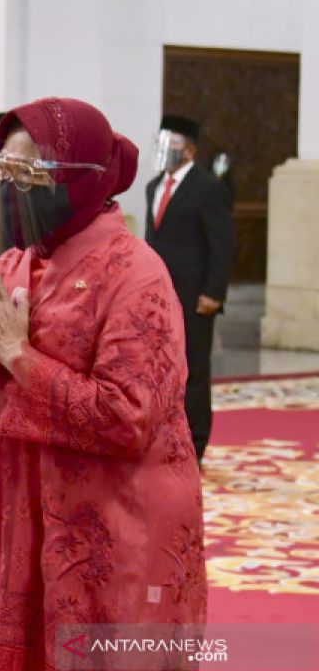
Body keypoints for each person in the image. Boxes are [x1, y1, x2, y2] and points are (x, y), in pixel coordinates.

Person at [0, 97, 205, 669]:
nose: (10, 191)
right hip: (16, 522)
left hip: (113, 523)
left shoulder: (135, 274)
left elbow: (125, 418)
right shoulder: (10, 265)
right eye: (2, 173)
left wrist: (16, 354)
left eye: (27, 176)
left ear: (77, 182)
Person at [145, 114, 234, 463]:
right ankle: (164, 435)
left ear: (190, 149)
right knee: (161, 367)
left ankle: (195, 444)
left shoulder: (208, 188)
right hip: (161, 296)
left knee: (194, 369)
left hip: (196, 297)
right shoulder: (154, 186)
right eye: (162, 145)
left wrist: (213, 291)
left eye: (173, 146)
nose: (166, 152)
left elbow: (222, 244)